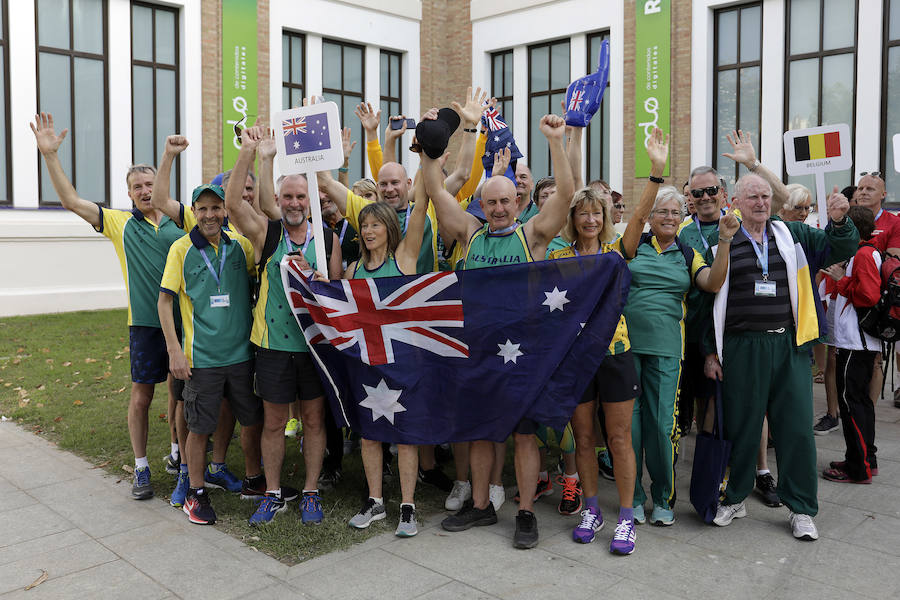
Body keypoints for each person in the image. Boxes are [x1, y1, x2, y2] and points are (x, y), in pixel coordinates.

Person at [427, 112, 574, 549]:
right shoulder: (470, 235)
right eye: (490, 202)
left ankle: (525, 512)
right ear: (481, 205)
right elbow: (435, 191)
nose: (497, 208)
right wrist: (435, 147)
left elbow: (565, 194)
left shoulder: (532, 235)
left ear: (517, 201)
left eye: (505, 201)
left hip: (522, 353)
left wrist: (555, 141)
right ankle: (481, 505)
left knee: (524, 434)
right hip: (478, 351)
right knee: (479, 430)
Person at [30, 112, 186, 501]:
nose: (145, 190)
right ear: (129, 193)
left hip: (186, 322)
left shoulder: (181, 220)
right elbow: (69, 200)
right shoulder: (118, 223)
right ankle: (141, 467)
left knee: (180, 393)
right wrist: (50, 155)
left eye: (150, 183)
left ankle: (177, 455)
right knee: (142, 395)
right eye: (138, 186)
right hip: (145, 325)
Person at [706, 174, 858, 541]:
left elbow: (840, 248)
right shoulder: (722, 240)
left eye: (764, 196)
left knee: (795, 430)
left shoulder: (793, 235)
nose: (759, 203)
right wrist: (710, 351)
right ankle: (736, 496)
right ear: (737, 203)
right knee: (743, 427)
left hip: (789, 344)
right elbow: (706, 299)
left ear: (772, 202)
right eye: (752, 197)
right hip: (742, 346)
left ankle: (802, 508)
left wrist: (840, 220)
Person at [225, 125, 343, 526]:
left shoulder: (326, 239)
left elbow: (338, 295)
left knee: (312, 421)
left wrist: (324, 280)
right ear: (277, 200)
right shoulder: (268, 232)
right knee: (274, 422)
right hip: (273, 345)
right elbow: (233, 205)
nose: (294, 202)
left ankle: (310, 491)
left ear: (311, 201)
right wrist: (251, 153)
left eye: (300, 197)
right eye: (287, 196)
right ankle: (273, 493)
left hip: (313, 347)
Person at [624, 160, 737, 527]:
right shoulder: (634, 245)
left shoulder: (689, 253)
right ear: (651, 216)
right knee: (632, 427)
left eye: (675, 211)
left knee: (661, 427)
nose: (670, 217)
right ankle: (635, 497)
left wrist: (724, 239)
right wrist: (654, 174)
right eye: (662, 212)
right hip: (628, 349)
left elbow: (713, 282)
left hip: (669, 351)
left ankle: (662, 496)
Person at [547, 177, 657, 554]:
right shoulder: (558, 259)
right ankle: (591, 511)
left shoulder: (616, 251)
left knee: (620, 437)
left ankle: (627, 517)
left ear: (606, 217)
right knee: (584, 439)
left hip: (615, 353)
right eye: (583, 213)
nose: (590, 219)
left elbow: (641, 217)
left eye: (597, 212)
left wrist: (655, 174)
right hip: (576, 359)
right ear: (573, 218)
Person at [157, 184, 263, 525]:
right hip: (201, 357)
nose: (209, 215)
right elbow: (165, 301)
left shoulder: (240, 246)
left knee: (250, 419)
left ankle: (252, 481)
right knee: (198, 426)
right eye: (202, 209)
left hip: (241, 355)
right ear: (192, 211)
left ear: (226, 210)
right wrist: (175, 350)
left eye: (216, 208)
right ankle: (196, 492)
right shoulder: (181, 249)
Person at [344, 177, 431, 537]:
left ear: (390, 228)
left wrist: (428, 158)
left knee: (406, 435)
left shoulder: (405, 258)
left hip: (403, 362)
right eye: (363, 225)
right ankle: (375, 501)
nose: (368, 231)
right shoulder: (352, 270)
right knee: (369, 435)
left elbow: (423, 206)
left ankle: (407, 507)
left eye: (375, 224)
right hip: (367, 363)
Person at [820, 206, 879, 484]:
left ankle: (860, 467)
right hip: (860, 342)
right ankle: (864, 458)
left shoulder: (864, 255)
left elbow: (867, 296)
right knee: (860, 403)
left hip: (857, 343)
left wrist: (840, 280)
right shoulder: (866, 253)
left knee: (851, 404)